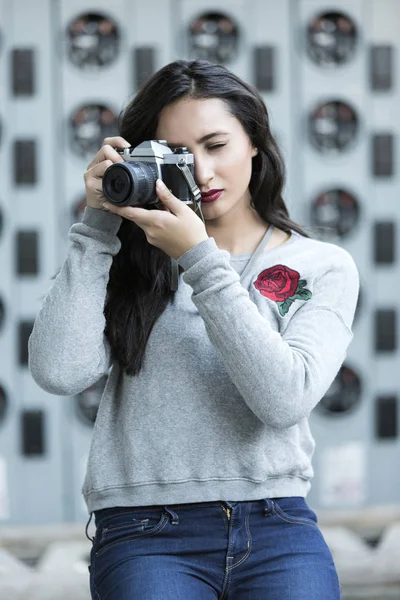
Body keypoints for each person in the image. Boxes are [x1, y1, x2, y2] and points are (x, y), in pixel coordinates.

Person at [28, 59, 359, 600]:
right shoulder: (127, 263)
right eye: (180, 154)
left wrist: (200, 260)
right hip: (144, 530)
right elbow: (59, 373)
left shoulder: (321, 266)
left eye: (216, 144)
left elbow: (283, 399)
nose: (202, 173)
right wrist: (97, 227)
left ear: (255, 141)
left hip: (277, 524)